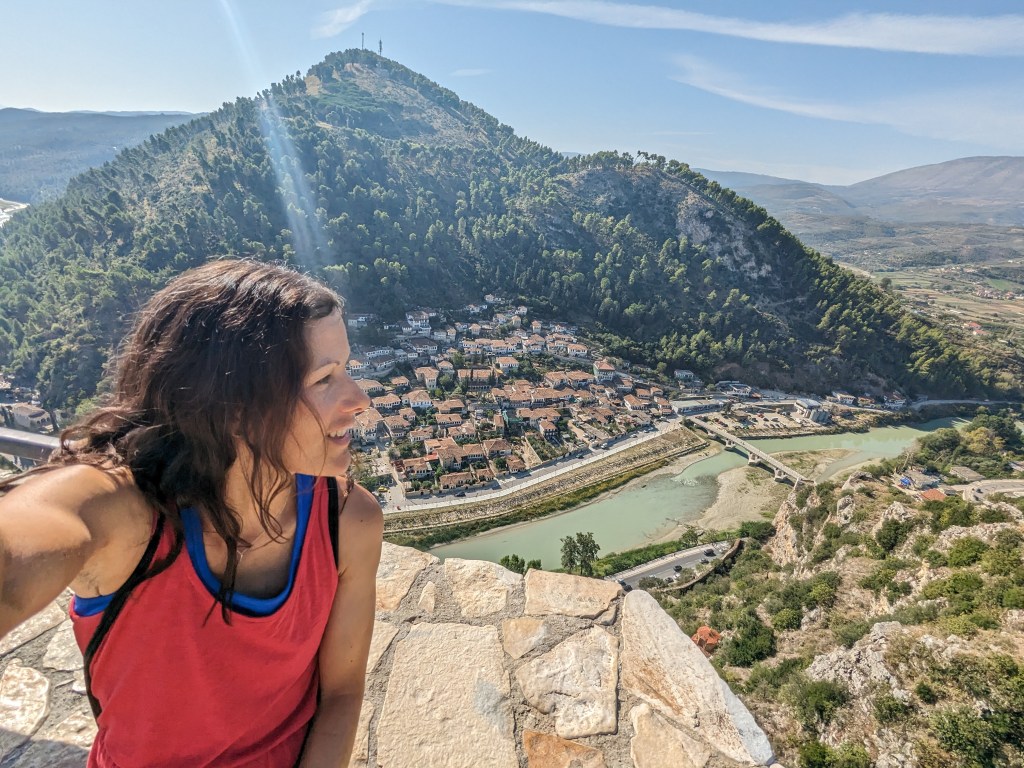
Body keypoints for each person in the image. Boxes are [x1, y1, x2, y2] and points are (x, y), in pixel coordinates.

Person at [0, 259, 382, 767]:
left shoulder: (348, 522)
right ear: (235, 405)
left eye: (346, 369)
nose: (359, 399)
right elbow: (31, 536)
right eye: (325, 379)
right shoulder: (129, 517)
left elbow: (340, 695)